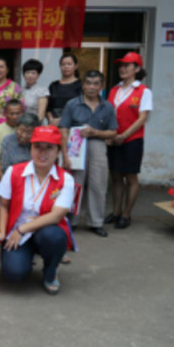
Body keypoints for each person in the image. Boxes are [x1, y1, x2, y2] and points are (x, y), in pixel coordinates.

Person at [0, 125, 75, 295]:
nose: (42, 153)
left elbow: (56, 216)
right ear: (30, 149)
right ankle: (27, 256)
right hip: (16, 233)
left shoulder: (65, 179)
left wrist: (23, 229)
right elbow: (3, 205)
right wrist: (3, 232)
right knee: (14, 274)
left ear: (58, 152)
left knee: (54, 237)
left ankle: (50, 271)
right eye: (37, 147)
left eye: (49, 148)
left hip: (44, 230)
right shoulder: (13, 172)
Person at [60, 70, 117, 237]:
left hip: (98, 146)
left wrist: (95, 133)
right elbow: (63, 130)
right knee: (75, 185)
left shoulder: (107, 106)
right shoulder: (72, 104)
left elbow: (113, 132)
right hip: (75, 147)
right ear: (83, 85)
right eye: (88, 83)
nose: (92, 87)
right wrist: (65, 155)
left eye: (96, 84)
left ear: (101, 86)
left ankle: (96, 222)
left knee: (98, 185)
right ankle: (71, 220)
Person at [105, 52, 153, 229]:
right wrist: (109, 136)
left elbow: (142, 118)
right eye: (121, 65)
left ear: (137, 69)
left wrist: (124, 136)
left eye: (127, 65)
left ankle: (126, 214)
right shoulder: (114, 90)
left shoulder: (143, 91)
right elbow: (108, 115)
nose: (122, 68)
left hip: (132, 140)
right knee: (115, 175)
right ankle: (116, 211)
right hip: (113, 139)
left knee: (130, 177)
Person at [0, 99, 23, 180]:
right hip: (6, 171)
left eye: (17, 113)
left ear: (22, 113)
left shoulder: (26, 130)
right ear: (5, 114)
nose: (15, 117)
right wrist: (2, 178)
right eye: (11, 114)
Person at [47, 53, 82, 127]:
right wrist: (51, 119)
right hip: (55, 125)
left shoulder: (81, 85)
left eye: (69, 64)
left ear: (76, 66)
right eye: (63, 64)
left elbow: (83, 108)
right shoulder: (53, 85)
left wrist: (63, 119)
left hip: (74, 125)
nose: (66, 67)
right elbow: (48, 107)